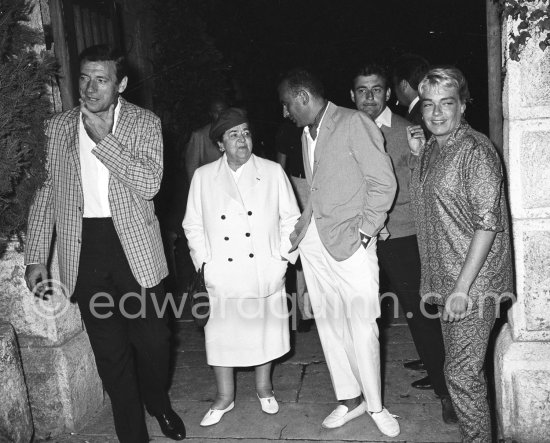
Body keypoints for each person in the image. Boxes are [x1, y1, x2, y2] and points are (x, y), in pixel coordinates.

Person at [24, 45, 185, 442]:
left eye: (101, 79)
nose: (90, 88)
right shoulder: (57, 127)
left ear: (121, 84)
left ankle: (157, 401)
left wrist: (103, 140)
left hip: (136, 250)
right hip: (85, 249)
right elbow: (46, 194)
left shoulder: (145, 123)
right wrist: (36, 255)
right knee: (111, 354)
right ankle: (132, 434)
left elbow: (149, 184)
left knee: (155, 343)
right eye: (84, 77)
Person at [278, 68, 400, 438]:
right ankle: (349, 399)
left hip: (351, 242)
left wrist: (365, 233)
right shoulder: (305, 133)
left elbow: (384, 183)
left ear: (302, 97)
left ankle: (376, 405)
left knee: (362, 325)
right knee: (330, 323)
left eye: (287, 105)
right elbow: (317, 189)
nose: (286, 113)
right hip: (317, 242)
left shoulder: (354, 122)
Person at [408, 67, 513, 442]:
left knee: (462, 374)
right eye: (429, 104)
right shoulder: (433, 149)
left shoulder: (476, 150)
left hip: (472, 283)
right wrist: (418, 157)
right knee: (461, 371)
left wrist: (462, 288)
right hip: (447, 278)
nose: (436, 113)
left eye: (446, 103)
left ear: (463, 105)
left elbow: (488, 224)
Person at [350, 63, 457, 424]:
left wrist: (415, 156)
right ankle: (358, 395)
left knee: (422, 314)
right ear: (352, 94)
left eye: (376, 89)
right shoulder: (344, 130)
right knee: (360, 317)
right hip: (360, 237)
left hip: (402, 234)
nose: (368, 97)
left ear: (388, 93)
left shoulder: (409, 130)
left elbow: (428, 183)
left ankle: (447, 392)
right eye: (362, 90)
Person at [182, 108, 300, 427]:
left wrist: (282, 259)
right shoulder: (204, 177)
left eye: (245, 132)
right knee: (222, 335)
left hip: (264, 268)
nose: (242, 140)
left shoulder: (273, 171)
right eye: (233, 135)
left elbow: (291, 220)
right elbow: (192, 225)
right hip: (222, 271)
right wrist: (205, 264)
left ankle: (264, 388)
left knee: (263, 331)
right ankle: (224, 396)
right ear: (220, 144)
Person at [275, 119, 314, 331]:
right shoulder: (288, 127)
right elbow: (280, 163)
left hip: (318, 184)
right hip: (296, 185)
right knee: (300, 248)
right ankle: (304, 311)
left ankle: (322, 308)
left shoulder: (320, 123)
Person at [184, 96, 228, 183]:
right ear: (211, 114)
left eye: (222, 111)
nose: (220, 115)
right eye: (216, 112)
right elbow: (192, 169)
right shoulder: (199, 136)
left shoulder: (235, 133)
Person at [392, 53, 430, 130]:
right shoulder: (427, 108)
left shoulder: (416, 119)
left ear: (403, 84)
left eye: (395, 85)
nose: (395, 91)